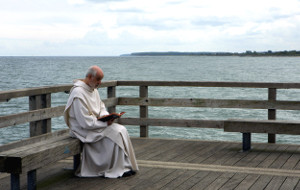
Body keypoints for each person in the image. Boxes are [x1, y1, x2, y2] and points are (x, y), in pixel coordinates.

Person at [63, 65, 138, 178]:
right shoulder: (78, 93)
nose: (100, 82)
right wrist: (104, 123)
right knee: (116, 132)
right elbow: (84, 122)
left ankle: (124, 166)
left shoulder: (93, 89)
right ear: (89, 77)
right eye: (98, 79)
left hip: (95, 124)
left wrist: (106, 116)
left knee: (122, 129)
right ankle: (114, 168)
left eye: (100, 79)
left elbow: (101, 107)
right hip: (82, 129)